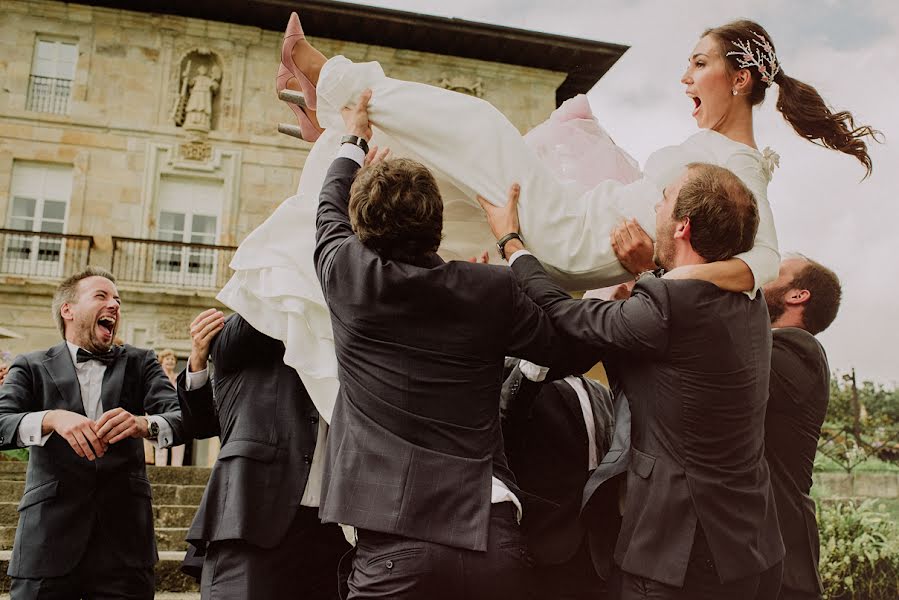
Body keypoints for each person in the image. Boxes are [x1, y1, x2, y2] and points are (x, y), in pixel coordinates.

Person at [218, 13, 878, 424]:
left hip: (580, 236)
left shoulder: (743, 165)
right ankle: (336, 134)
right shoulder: (723, 155)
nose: (684, 79)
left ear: (738, 79)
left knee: (477, 124)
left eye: (698, 64)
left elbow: (761, 265)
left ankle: (331, 80)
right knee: (434, 201)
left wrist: (658, 274)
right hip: (585, 216)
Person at [313, 91, 590, 600]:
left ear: (361, 229)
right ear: (437, 225)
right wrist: (512, 247)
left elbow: (328, 204)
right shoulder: (493, 289)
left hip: (394, 548)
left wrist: (353, 136)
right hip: (492, 539)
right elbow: (570, 344)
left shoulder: (345, 274)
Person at [479, 163, 784, 599]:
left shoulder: (667, 305)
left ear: (683, 226)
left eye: (662, 197)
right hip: (750, 542)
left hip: (677, 551)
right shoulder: (748, 299)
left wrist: (512, 243)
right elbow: (681, 322)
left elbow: (564, 313)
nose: (654, 205)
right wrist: (648, 276)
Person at [0, 267, 186, 599]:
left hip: (125, 546)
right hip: (46, 542)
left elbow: (182, 417)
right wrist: (51, 418)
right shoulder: (30, 365)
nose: (114, 304)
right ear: (67, 310)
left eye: (117, 299)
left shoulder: (142, 362)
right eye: (101, 296)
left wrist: (144, 424)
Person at [176, 308, 348, 599]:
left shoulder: (345, 339)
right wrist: (197, 363)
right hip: (251, 515)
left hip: (332, 526)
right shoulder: (247, 328)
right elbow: (201, 423)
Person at [501, 360, 617, 599]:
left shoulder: (602, 392)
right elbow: (506, 421)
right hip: (544, 546)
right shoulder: (523, 381)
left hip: (598, 552)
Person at [762, 256, 841, 600]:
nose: (759, 272)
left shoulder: (799, 350)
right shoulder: (767, 348)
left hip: (780, 558)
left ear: (797, 295)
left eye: (774, 269)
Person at [154, 348, 185, 466]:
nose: (170, 361)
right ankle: (160, 467)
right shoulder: (158, 378)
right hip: (161, 413)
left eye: (172, 359)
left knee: (180, 439)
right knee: (161, 439)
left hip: (178, 412)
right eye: (167, 359)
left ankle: (177, 467)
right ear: (161, 361)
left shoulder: (179, 378)